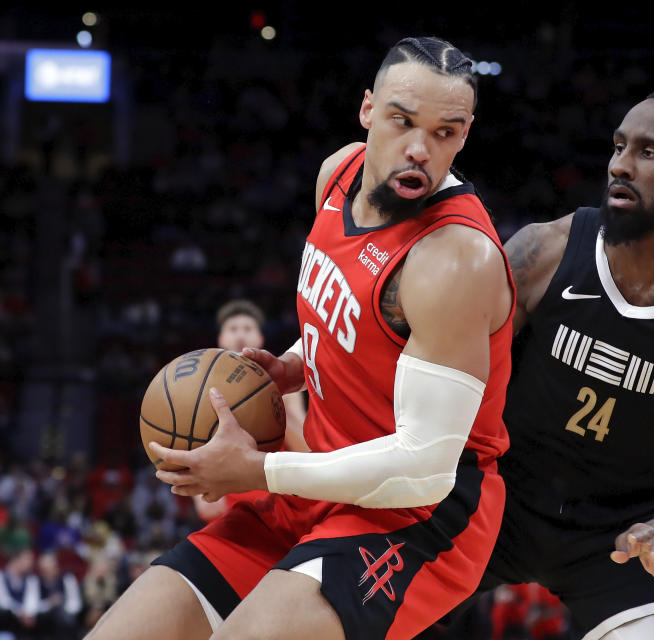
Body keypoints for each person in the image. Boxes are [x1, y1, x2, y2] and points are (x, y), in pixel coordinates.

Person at [86, 36, 514, 640]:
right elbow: (355, 323)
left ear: (466, 133)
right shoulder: (337, 175)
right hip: (320, 484)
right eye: (402, 121)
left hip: (417, 518)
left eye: (446, 132)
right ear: (368, 110)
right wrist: (292, 363)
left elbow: (425, 466)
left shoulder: (454, 259)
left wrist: (262, 470)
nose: (420, 148)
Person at [467, 89, 654, 639]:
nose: (621, 165)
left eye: (649, 152)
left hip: (618, 537)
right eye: (618, 146)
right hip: (494, 499)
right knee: (334, 605)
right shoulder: (547, 248)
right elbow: (449, 364)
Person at [193, 299, 309, 522]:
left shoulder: (283, 383)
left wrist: (276, 399)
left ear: (259, 338)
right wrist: (200, 496)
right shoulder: (203, 388)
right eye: (233, 329)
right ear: (221, 339)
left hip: (280, 504)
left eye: (247, 329)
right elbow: (191, 447)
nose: (240, 335)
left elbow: (305, 448)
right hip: (229, 510)